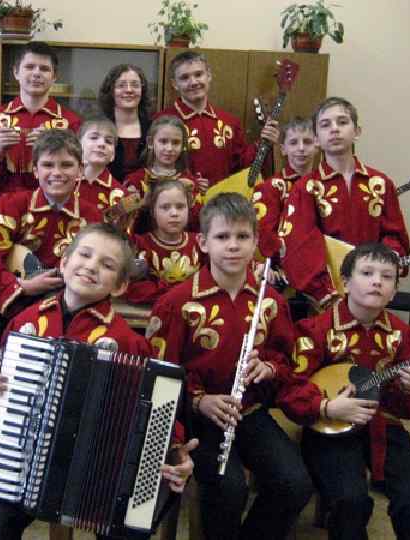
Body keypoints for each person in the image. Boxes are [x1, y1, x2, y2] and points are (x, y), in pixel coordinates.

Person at [0, 222, 198, 540]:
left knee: (127, 531)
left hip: (99, 474)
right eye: (85, 255)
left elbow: (158, 412)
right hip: (25, 464)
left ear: (119, 286)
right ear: (64, 263)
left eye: (107, 265)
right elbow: (1, 397)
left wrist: (174, 451)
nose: (91, 266)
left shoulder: (128, 343)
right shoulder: (26, 322)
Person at [147, 193, 313, 539]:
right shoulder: (176, 303)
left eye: (242, 236)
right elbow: (160, 375)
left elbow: (288, 362)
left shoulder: (271, 301)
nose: (233, 246)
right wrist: (198, 401)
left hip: (248, 411)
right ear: (203, 243)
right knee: (229, 488)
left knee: (295, 483)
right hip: (197, 419)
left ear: (255, 242)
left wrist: (269, 369)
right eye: (222, 237)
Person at [277, 243, 410, 539]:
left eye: (387, 277)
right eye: (367, 273)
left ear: (394, 291)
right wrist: (326, 407)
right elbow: (290, 389)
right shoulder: (316, 330)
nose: (377, 281)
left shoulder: (403, 335)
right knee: (350, 502)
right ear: (346, 282)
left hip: (383, 425)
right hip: (332, 425)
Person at [280, 97, 410, 309]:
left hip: (372, 292)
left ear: (357, 131)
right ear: (316, 139)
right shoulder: (306, 188)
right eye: (325, 124)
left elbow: (395, 235)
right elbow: (298, 245)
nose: (334, 129)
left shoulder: (381, 183)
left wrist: (381, 267)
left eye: (342, 122)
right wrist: (325, 292)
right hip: (324, 301)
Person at [0, 128, 102, 316]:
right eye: (47, 165)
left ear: (80, 170)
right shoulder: (11, 205)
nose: (57, 172)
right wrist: (22, 286)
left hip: (66, 308)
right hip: (9, 307)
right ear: (35, 171)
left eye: (66, 165)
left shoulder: (92, 216)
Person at [0, 41, 81, 195]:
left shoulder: (71, 122)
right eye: (29, 67)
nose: (37, 73)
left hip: (54, 206)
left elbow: (82, 179)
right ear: (16, 72)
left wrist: (54, 148)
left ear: (54, 76)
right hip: (7, 206)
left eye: (44, 69)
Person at [157, 51, 279, 188]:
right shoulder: (161, 122)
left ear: (208, 76)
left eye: (198, 74)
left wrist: (264, 143)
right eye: (185, 77)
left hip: (223, 200)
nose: (193, 82)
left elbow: (242, 167)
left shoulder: (230, 123)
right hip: (180, 200)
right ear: (174, 84)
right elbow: (152, 170)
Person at [126, 179, 202, 305]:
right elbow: (135, 289)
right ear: (153, 212)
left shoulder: (200, 243)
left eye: (180, 207)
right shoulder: (139, 244)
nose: (174, 213)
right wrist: (139, 202)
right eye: (165, 207)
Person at [252, 116, 317, 262]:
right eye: (293, 143)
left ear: (317, 145)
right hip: (283, 262)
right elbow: (263, 234)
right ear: (283, 149)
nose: (301, 148)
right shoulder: (269, 188)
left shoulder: (324, 185)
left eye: (307, 142)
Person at [123, 115, 203, 230]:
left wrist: (189, 202)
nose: (169, 148)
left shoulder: (189, 182)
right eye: (163, 141)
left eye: (176, 142)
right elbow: (115, 219)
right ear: (150, 142)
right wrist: (142, 204)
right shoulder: (135, 180)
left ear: (183, 145)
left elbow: (199, 225)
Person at [98, 64, 152, 181]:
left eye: (135, 85)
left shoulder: (153, 128)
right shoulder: (97, 129)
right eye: (121, 85)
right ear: (111, 91)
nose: (129, 90)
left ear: (142, 91)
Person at [77, 117, 125, 211]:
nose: (102, 144)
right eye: (94, 138)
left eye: (108, 141)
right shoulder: (62, 182)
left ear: (113, 155)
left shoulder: (124, 195)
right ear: (77, 145)